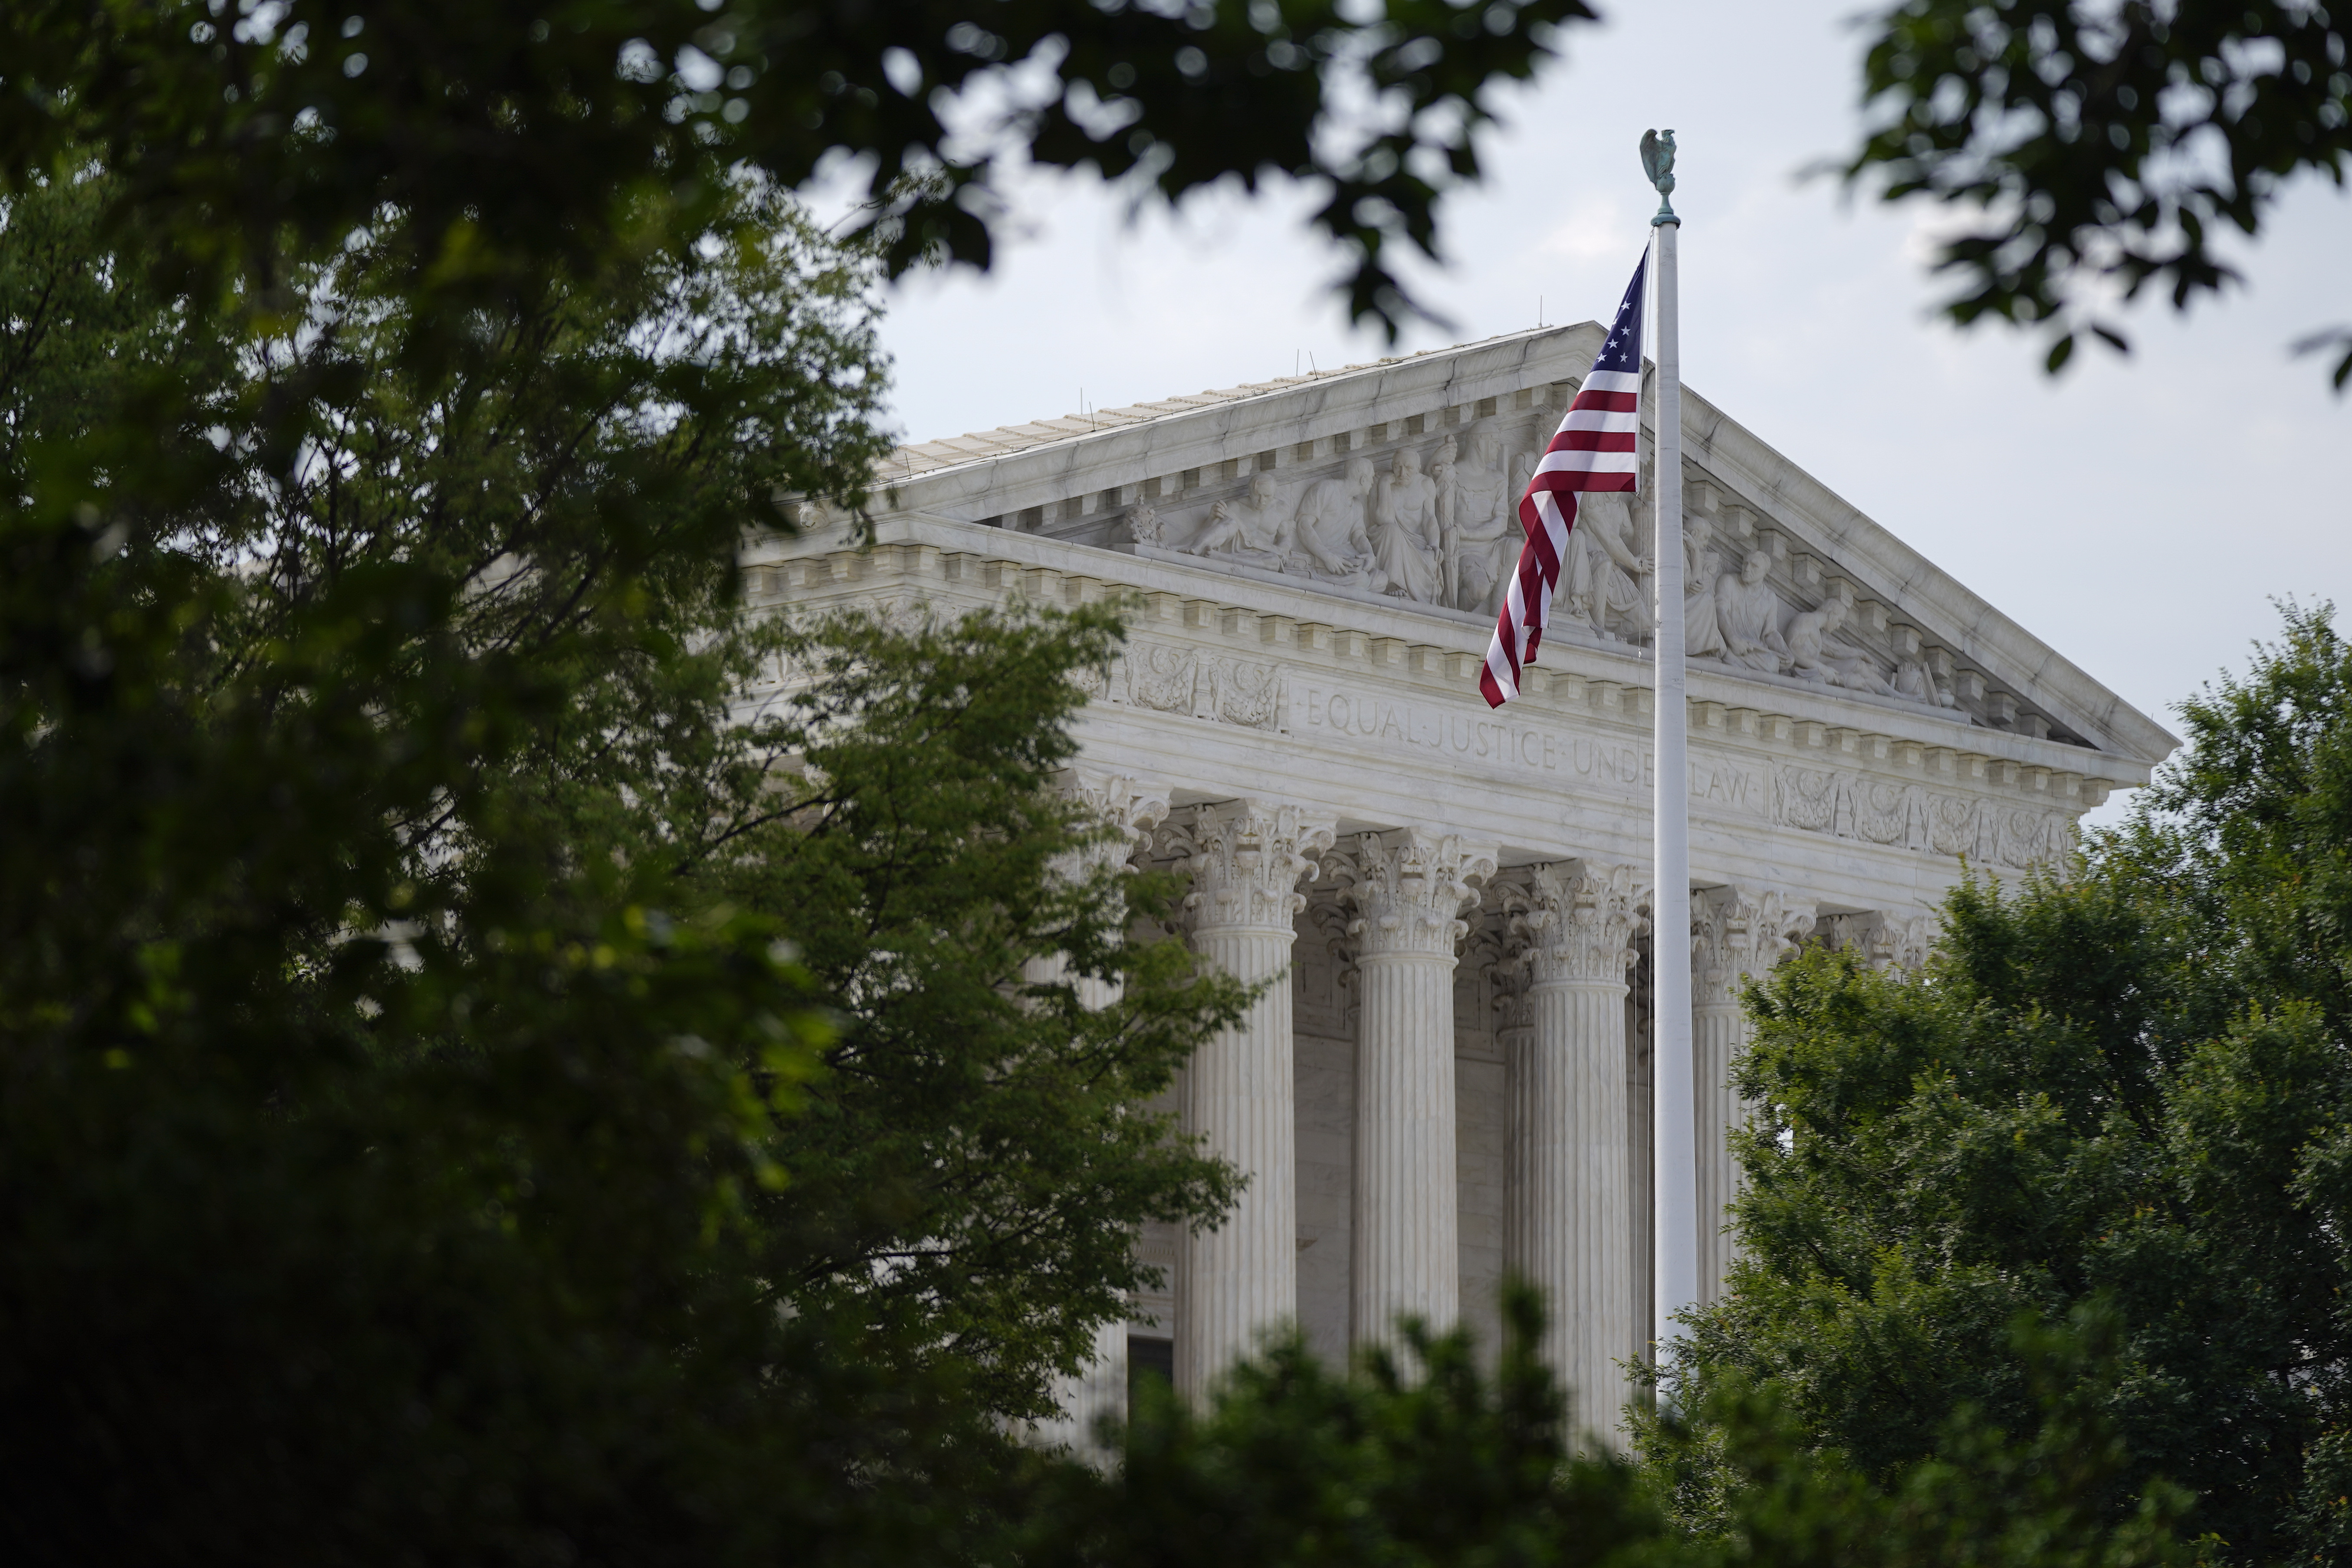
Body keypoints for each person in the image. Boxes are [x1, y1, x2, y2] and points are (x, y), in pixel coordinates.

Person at [1287, 456, 1383, 586]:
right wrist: (1327, 557)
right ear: (1363, 479)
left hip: (1345, 559)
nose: (1373, 482)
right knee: (1361, 580)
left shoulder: (1357, 506)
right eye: (1372, 477)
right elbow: (1304, 525)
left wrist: (1370, 555)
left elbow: (1358, 536)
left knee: (1382, 579)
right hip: (1321, 559)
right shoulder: (1326, 489)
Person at [1371, 446, 1445, 604]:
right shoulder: (1382, 481)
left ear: (1418, 468)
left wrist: (1434, 544)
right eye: (1398, 467)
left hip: (1418, 546)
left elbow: (1429, 518)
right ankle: (1394, 583)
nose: (1402, 473)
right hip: (1390, 540)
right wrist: (1384, 484)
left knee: (1432, 558)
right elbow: (1384, 519)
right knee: (1392, 531)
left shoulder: (1426, 484)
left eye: (1409, 468)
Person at [1182, 470, 1292, 565]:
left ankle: (1220, 557)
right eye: (1258, 495)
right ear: (1250, 492)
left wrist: (1284, 550)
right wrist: (1212, 517)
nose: (1262, 501)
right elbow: (1213, 529)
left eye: (1267, 496)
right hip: (1238, 549)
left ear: (1274, 494)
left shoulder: (1281, 509)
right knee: (1231, 524)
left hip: (1261, 555)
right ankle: (1198, 547)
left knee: (1275, 562)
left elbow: (1284, 537)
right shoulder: (1237, 506)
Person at [1714, 549, 1787, 672]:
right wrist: (1733, 639)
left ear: (1765, 572)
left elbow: (1770, 633)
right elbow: (1719, 611)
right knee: (1727, 654)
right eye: (1745, 564)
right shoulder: (1728, 582)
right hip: (1731, 644)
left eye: (1755, 566)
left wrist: (1784, 651)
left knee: (1773, 663)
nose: (1747, 569)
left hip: (1755, 650)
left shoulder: (1770, 598)